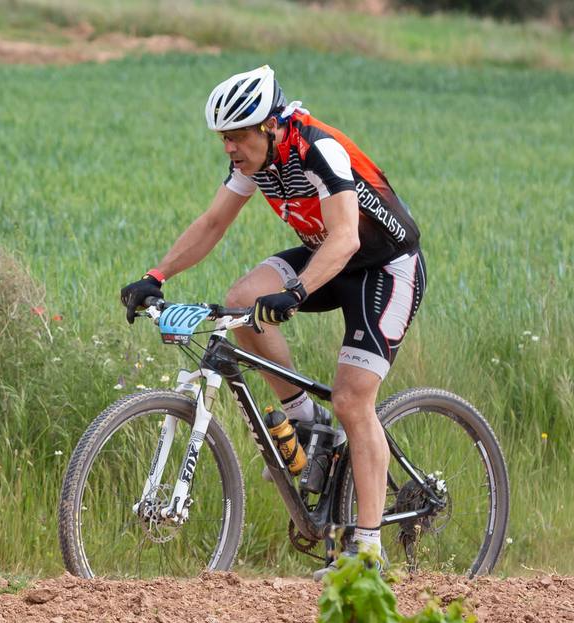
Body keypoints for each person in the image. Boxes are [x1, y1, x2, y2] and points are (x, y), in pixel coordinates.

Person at [119, 65, 425, 564]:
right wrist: (157, 275)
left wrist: (296, 291)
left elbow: (346, 237)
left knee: (353, 398)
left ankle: (367, 551)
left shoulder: (316, 148)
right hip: (330, 259)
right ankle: (305, 419)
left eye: (237, 136)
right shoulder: (253, 163)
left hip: (386, 268)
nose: (229, 148)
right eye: (223, 138)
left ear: (268, 126)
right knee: (242, 301)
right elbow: (213, 221)